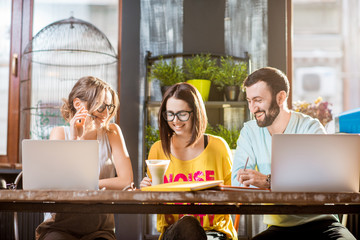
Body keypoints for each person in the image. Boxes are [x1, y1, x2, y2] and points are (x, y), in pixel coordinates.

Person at [231, 67, 355, 240]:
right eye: (249, 101)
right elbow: (237, 181)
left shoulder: (310, 127)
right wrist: (257, 181)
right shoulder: (249, 132)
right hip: (279, 227)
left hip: (322, 222)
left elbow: (324, 178)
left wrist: (269, 181)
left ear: (280, 97)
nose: (253, 108)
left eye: (258, 100)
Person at [36, 76, 134, 240]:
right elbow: (59, 183)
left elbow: (126, 181)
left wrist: (91, 185)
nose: (107, 113)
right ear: (78, 104)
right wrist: (76, 140)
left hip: (100, 229)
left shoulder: (112, 132)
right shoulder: (60, 134)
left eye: (109, 106)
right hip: (58, 226)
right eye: (101, 106)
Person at [140, 82, 238, 240]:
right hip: (174, 233)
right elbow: (152, 205)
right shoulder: (158, 149)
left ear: (196, 113)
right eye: (170, 114)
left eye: (182, 114)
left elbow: (234, 197)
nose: (175, 121)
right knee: (187, 225)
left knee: (190, 226)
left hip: (215, 233)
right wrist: (147, 190)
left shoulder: (218, 147)